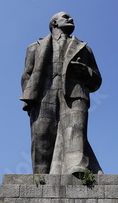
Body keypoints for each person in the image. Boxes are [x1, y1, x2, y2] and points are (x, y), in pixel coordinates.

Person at [20, 12, 103, 175]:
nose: (71, 19)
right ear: (54, 23)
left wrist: (86, 72)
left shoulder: (84, 48)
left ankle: (77, 168)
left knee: (76, 129)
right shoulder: (34, 47)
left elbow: (97, 79)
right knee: (42, 134)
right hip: (43, 94)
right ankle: (41, 175)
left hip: (74, 94)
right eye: (66, 17)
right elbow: (26, 75)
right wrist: (29, 97)